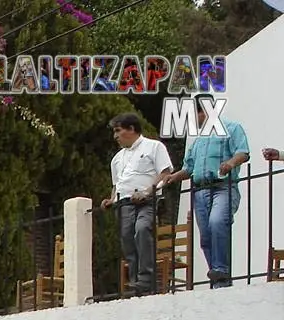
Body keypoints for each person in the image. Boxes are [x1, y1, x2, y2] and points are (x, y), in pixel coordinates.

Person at [158, 95, 251, 288]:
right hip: (200, 190)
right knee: (206, 236)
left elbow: (243, 152)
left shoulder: (231, 128)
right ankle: (218, 278)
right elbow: (189, 168)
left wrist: (230, 163)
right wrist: (174, 177)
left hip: (222, 186)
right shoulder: (198, 141)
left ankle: (221, 271)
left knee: (218, 223)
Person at [101, 112, 172, 295]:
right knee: (127, 239)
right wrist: (111, 199)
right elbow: (117, 185)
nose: (115, 136)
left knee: (142, 230)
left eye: (118, 131)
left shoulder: (154, 146)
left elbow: (165, 173)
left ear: (131, 129)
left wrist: (148, 192)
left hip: (147, 201)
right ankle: (136, 283)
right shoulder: (117, 159)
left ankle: (146, 280)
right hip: (124, 204)